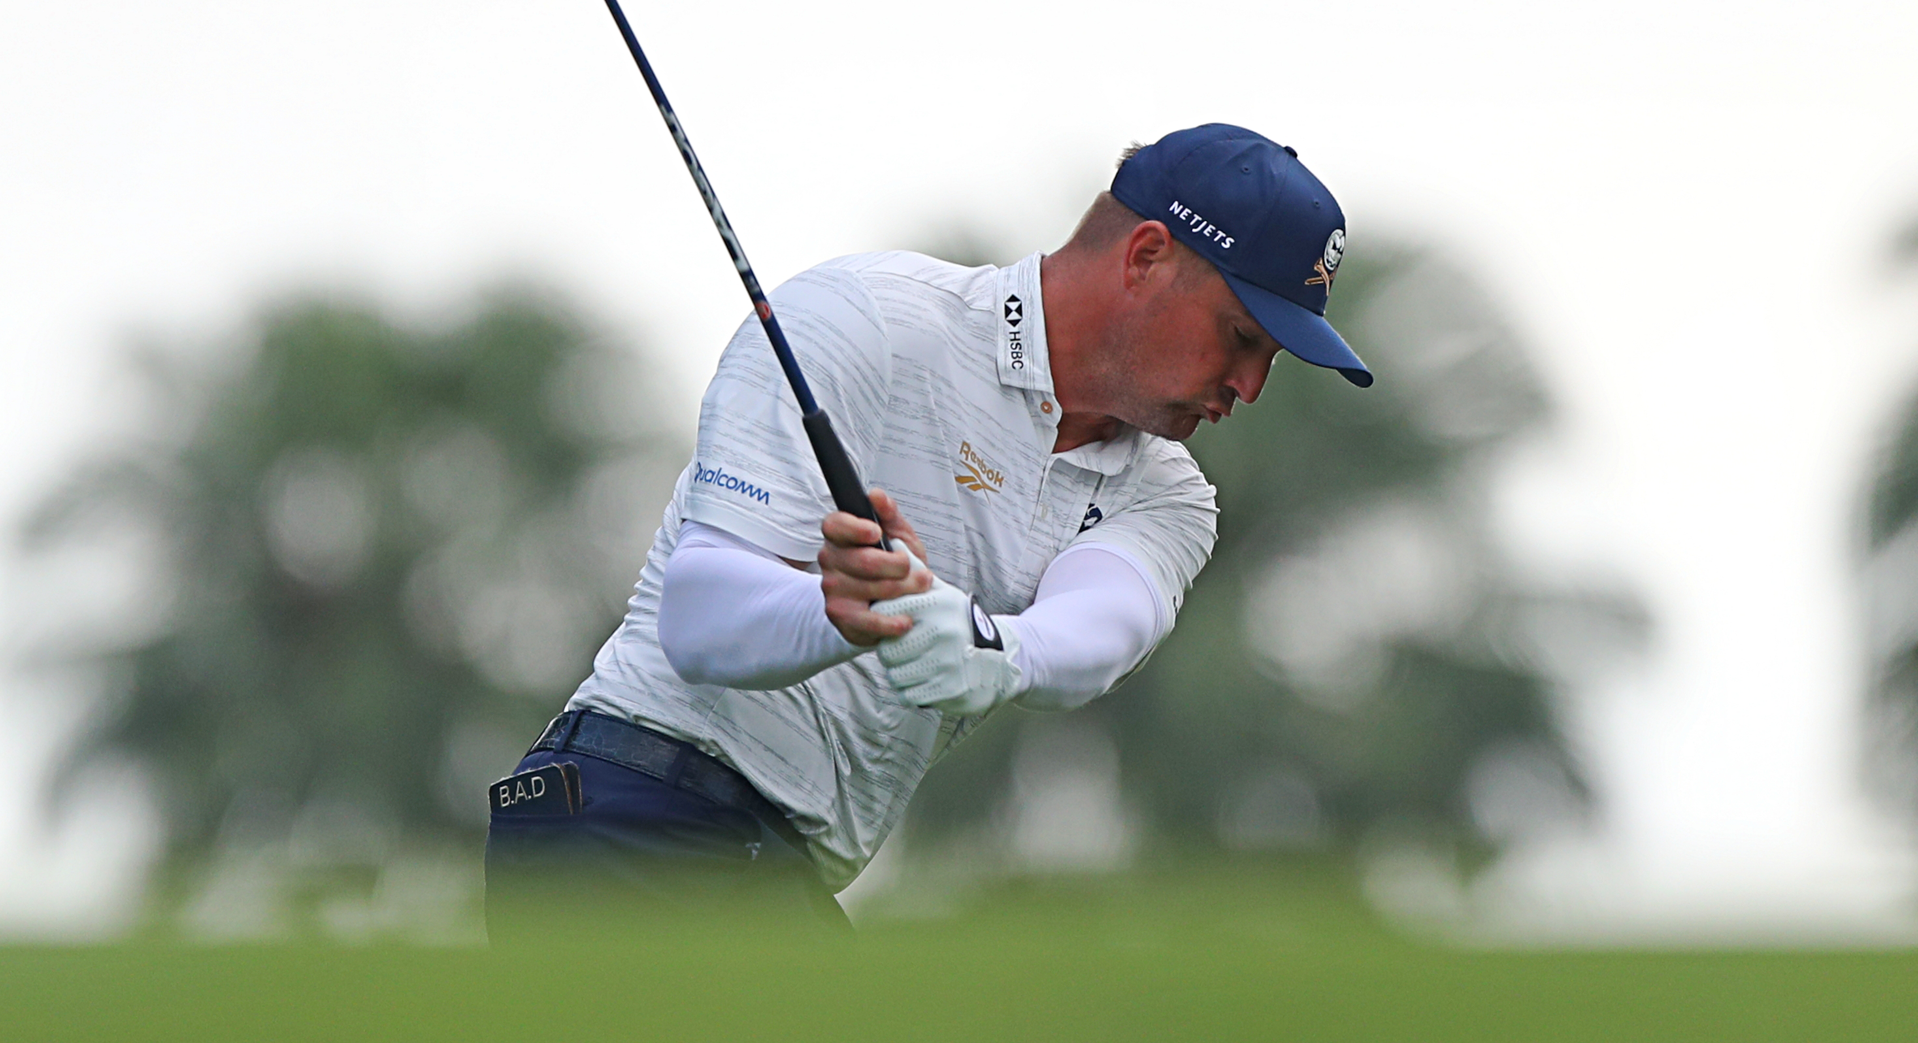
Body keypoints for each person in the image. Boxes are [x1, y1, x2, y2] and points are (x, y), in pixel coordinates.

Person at [484, 123, 1372, 924]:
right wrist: (852, 612)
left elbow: (1098, 627)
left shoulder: (1169, 492)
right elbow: (700, 615)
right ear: (1145, 257)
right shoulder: (867, 319)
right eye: (1241, 336)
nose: (1249, 389)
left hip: (768, 872)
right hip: (624, 808)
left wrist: (990, 645)